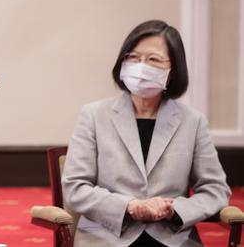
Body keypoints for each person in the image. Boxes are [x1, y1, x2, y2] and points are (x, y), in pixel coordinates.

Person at [61, 20, 230, 247]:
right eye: (133, 57)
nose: (141, 66)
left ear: (172, 73)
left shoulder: (193, 122)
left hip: (172, 238)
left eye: (153, 59)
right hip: (106, 237)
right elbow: (75, 187)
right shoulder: (93, 115)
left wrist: (174, 210)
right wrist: (130, 206)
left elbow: (215, 189)